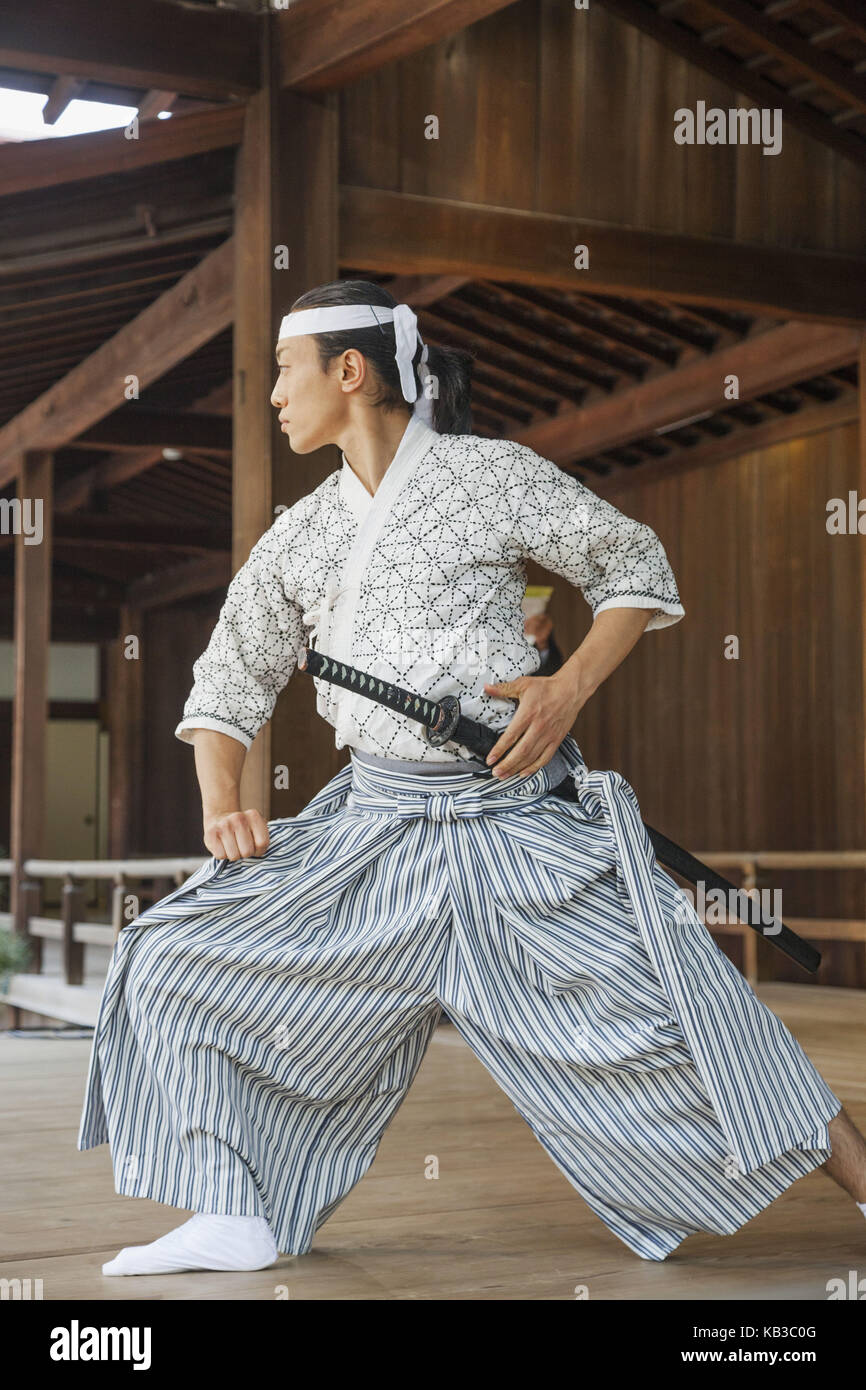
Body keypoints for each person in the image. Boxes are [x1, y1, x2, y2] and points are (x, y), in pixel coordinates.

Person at [79, 280, 866, 1277]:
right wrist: (220, 804)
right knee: (167, 954)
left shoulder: (489, 476)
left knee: (689, 1004)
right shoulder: (302, 532)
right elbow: (225, 688)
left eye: (285, 371)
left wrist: (566, 688)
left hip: (514, 825)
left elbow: (631, 562)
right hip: (372, 831)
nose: (273, 396)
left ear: (349, 371)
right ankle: (234, 1210)